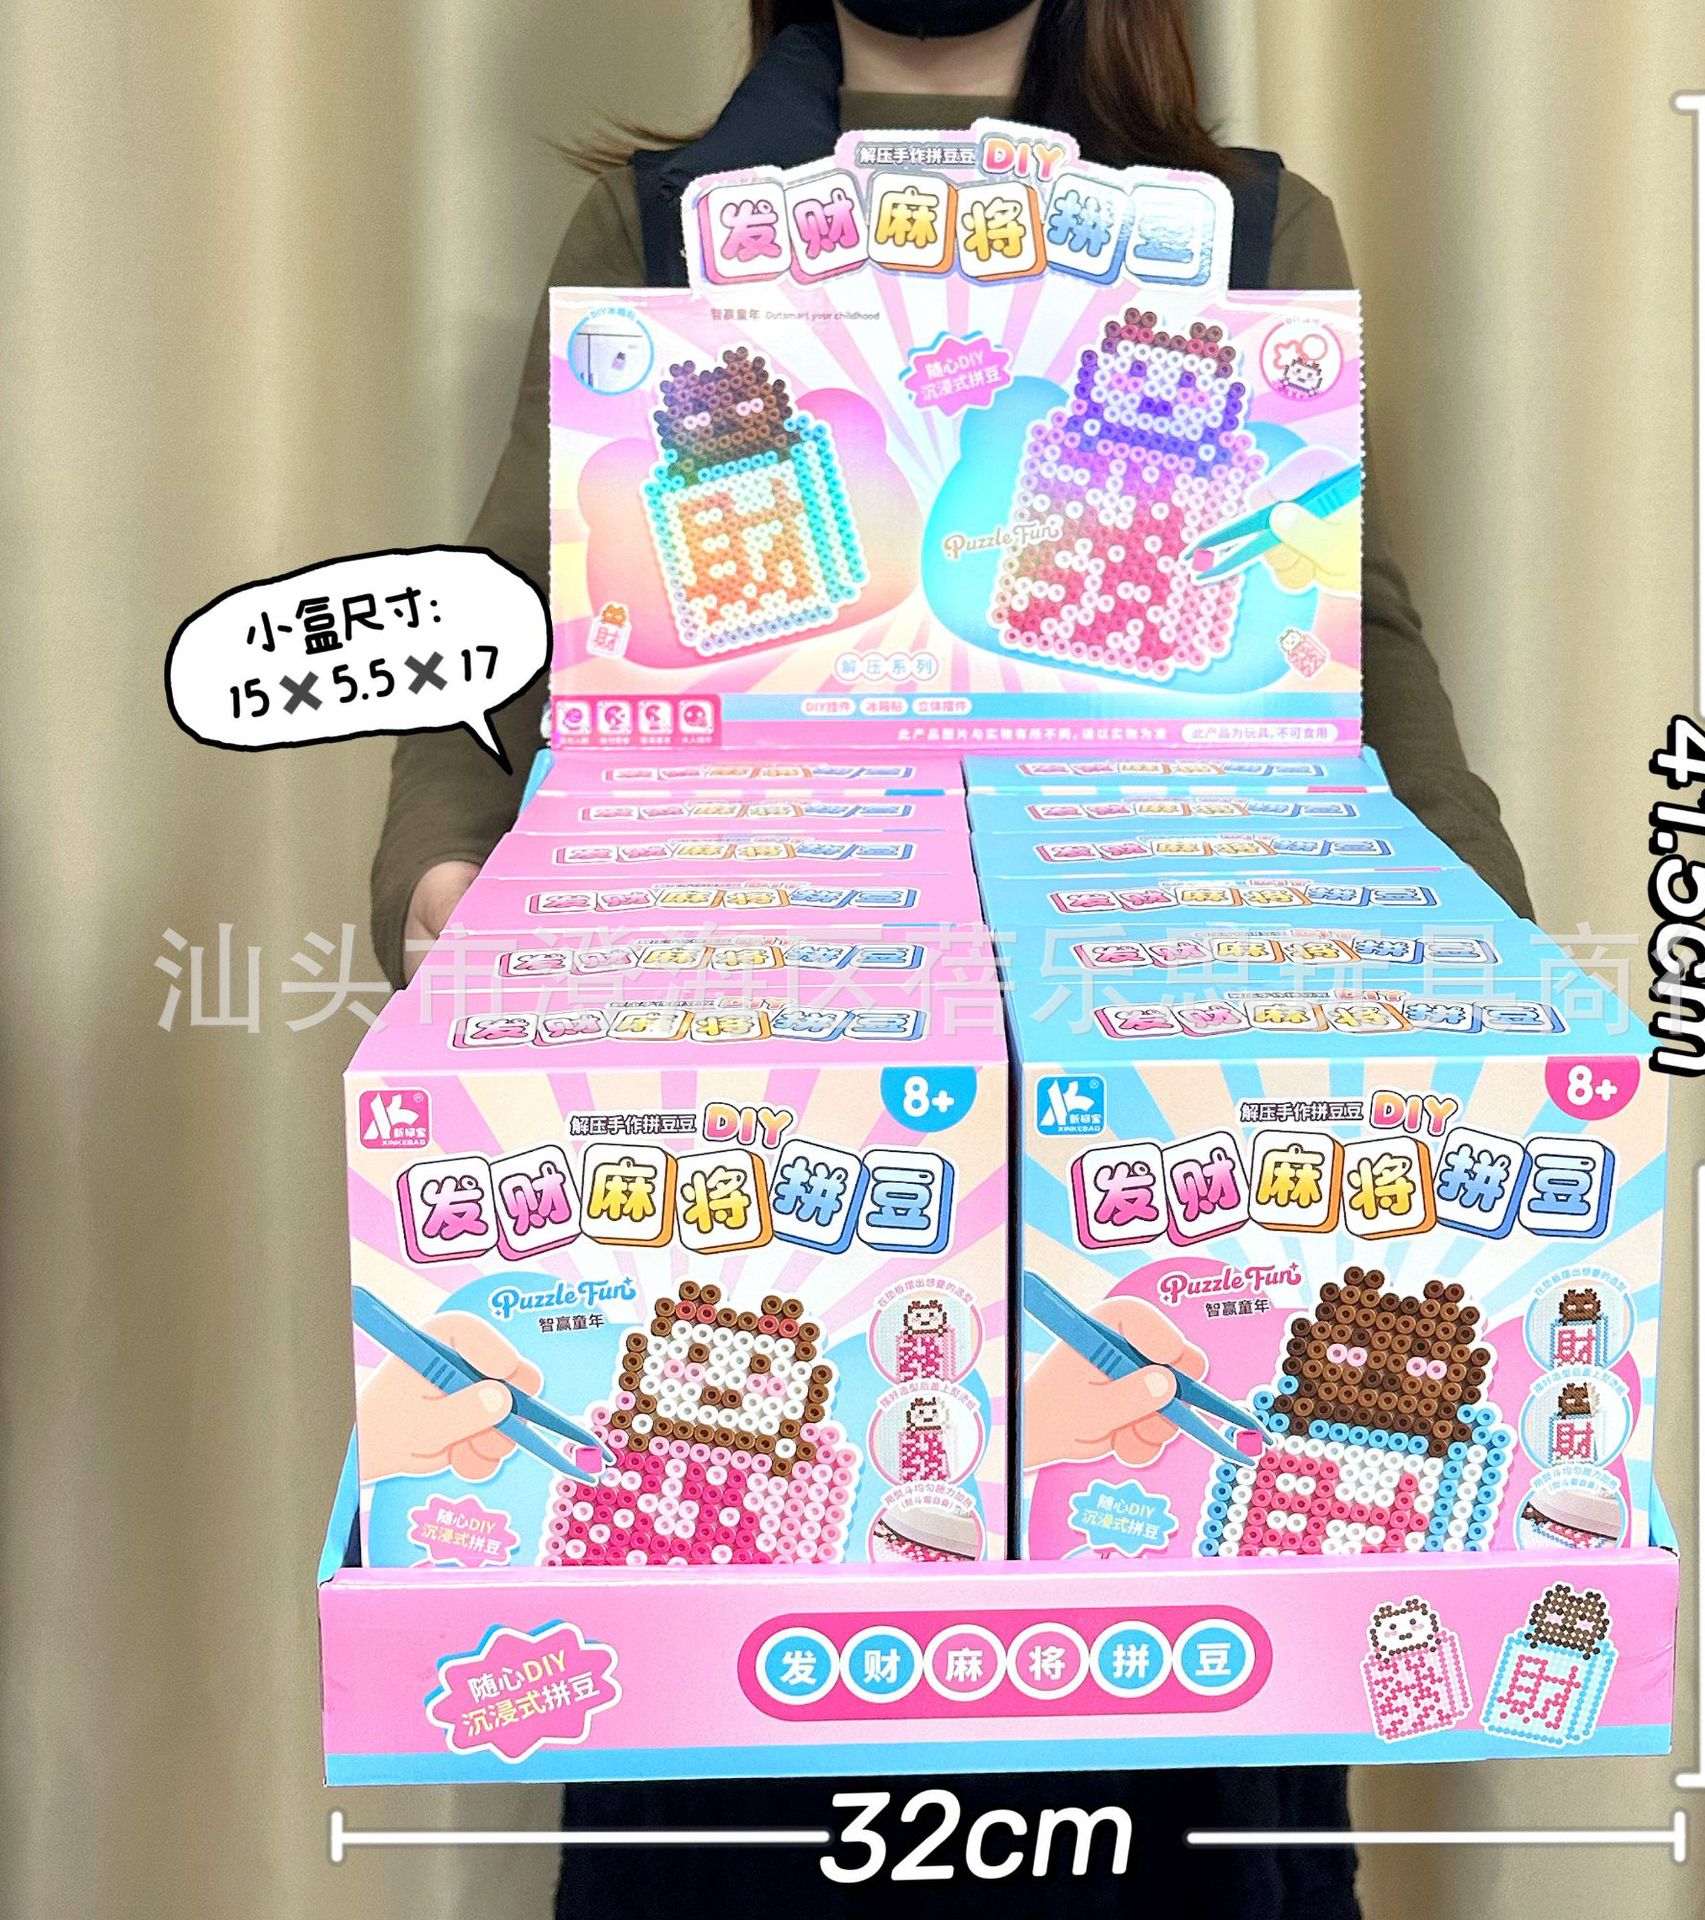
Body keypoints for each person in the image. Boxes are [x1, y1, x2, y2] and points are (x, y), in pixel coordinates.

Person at [370, 5, 1534, 1913]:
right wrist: (442, 869)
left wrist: (1476, 948)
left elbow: (1356, 632)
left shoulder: (1243, 230)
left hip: (1153, 1112)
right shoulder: (668, 223)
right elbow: (515, 624)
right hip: (776, 1115)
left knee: (1171, 1779)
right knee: (737, 1794)